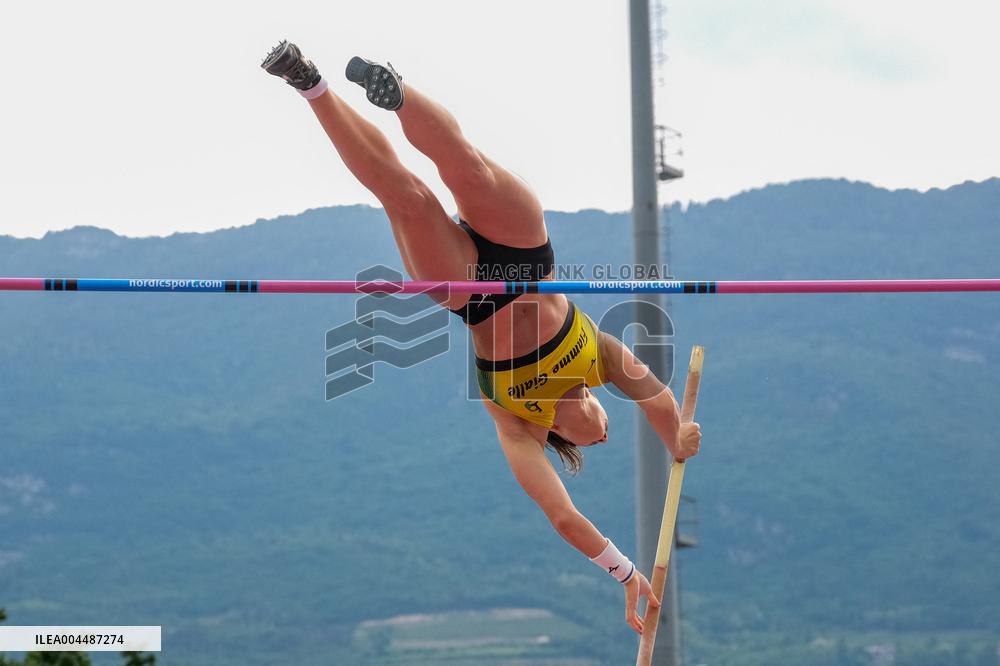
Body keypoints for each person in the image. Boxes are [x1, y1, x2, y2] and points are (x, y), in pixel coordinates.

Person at [262, 41, 701, 635]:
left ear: (567, 441)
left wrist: (626, 574)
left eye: (599, 439)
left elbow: (564, 517)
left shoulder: (516, 421)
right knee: (465, 165)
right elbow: (655, 398)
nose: (604, 425)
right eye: (609, 422)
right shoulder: (601, 360)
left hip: (470, 294)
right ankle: (397, 89)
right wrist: (677, 438)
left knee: (407, 198)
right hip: (525, 258)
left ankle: (308, 83)